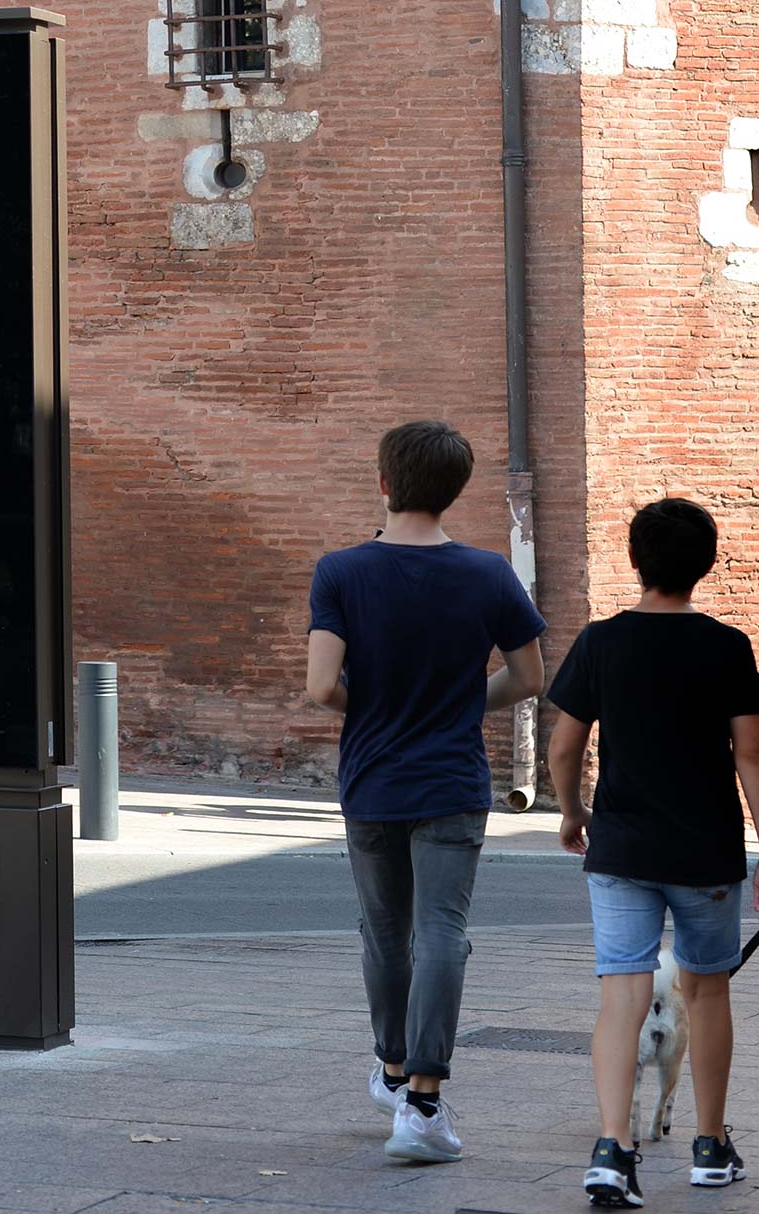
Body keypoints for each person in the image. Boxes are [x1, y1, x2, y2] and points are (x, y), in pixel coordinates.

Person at [306, 419, 546, 1169]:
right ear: (456, 491)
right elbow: (531, 677)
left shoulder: (340, 572)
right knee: (443, 931)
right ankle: (424, 1102)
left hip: (371, 778)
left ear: (385, 483)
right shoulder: (489, 574)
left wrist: (378, 709)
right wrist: (461, 705)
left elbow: (321, 686)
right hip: (451, 779)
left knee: (384, 931)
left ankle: (390, 1070)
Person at [547, 498, 759, 1208]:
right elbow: (752, 752)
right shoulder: (725, 645)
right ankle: (709, 1147)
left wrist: (572, 811)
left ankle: (612, 1150)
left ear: (634, 560)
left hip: (621, 845)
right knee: (707, 992)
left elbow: (563, 746)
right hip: (705, 851)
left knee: (622, 992)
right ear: (706, 565)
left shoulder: (600, 642)